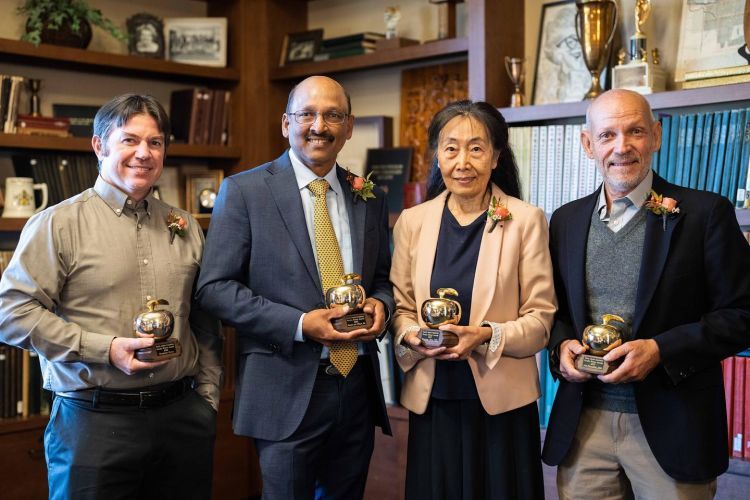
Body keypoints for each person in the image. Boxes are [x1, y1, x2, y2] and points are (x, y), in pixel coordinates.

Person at [0, 93, 223, 498]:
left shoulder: (186, 226)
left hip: (182, 420)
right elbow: (10, 314)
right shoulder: (58, 224)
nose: (144, 153)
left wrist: (206, 398)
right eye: (130, 140)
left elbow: (206, 317)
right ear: (99, 145)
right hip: (94, 423)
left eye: (155, 143)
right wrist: (106, 348)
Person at [542, 89, 750, 499]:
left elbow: (743, 313)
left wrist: (661, 350)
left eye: (635, 131)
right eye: (607, 136)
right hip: (583, 427)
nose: (622, 147)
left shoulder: (706, 214)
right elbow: (556, 312)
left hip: (674, 426)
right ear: (588, 145)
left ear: (655, 136)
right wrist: (560, 349)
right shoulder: (565, 221)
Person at [195, 75, 394, 499]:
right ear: (286, 124)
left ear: (349, 126)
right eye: (307, 114)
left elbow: (382, 278)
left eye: (333, 115)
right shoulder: (245, 191)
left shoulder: (369, 196)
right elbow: (214, 289)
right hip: (285, 386)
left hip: (357, 383)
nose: (319, 125)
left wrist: (381, 304)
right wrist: (302, 324)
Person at [390, 100, 556, 499]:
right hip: (434, 402)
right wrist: (412, 336)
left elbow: (540, 321)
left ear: (497, 156)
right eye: (451, 148)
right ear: (438, 156)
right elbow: (401, 308)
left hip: (502, 408)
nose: (463, 161)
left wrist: (483, 335)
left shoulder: (525, 219)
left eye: (476, 148)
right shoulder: (413, 222)